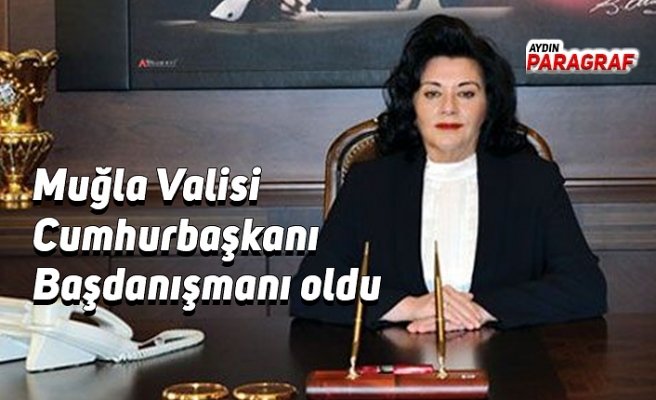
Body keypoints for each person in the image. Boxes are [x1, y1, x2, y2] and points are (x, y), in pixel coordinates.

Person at [289, 15, 607, 332]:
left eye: (466, 93)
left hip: (508, 359)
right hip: (396, 357)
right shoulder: (370, 183)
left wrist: (480, 310)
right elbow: (310, 289)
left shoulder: (533, 181)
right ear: (412, 105)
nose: (449, 107)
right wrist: (411, 306)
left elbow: (586, 286)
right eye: (432, 93)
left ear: (488, 104)